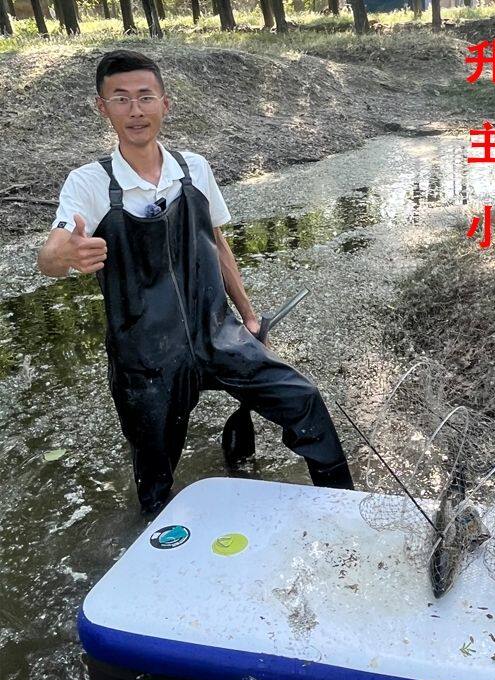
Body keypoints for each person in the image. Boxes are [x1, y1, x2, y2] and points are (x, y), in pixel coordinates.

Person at [37, 49, 354, 514]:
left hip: (218, 336)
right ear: (102, 108)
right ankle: (154, 531)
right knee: (154, 474)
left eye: (145, 96)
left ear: (165, 103)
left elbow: (218, 245)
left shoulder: (194, 169)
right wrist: (62, 255)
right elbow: (51, 255)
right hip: (145, 360)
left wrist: (249, 318)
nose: (135, 110)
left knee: (304, 401)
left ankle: (344, 505)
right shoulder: (88, 184)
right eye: (121, 99)